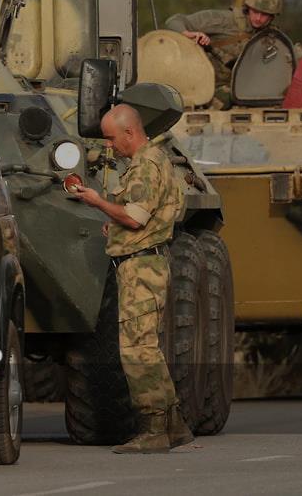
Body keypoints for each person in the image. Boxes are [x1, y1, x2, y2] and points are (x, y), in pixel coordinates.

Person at [72, 104, 191, 453]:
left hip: (141, 270)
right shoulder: (156, 160)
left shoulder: (144, 166)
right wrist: (117, 224)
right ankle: (174, 425)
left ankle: (153, 429)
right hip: (146, 263)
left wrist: (98, 203)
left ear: (130, 132)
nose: (109, 146)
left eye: (111, 138)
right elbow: (141, 218)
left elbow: (136, 217)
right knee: (147, 347)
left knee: (137, 350)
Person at [164, 0, 283, 104]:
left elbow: (286, 61)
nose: (258, 18)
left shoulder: (272, 37)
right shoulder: (223, 20)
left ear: (272, 16)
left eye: (264, 14)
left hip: (246, 93)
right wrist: (188, 34)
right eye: (255, 11)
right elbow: (174, 21)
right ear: (247, 8)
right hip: (207, 88)